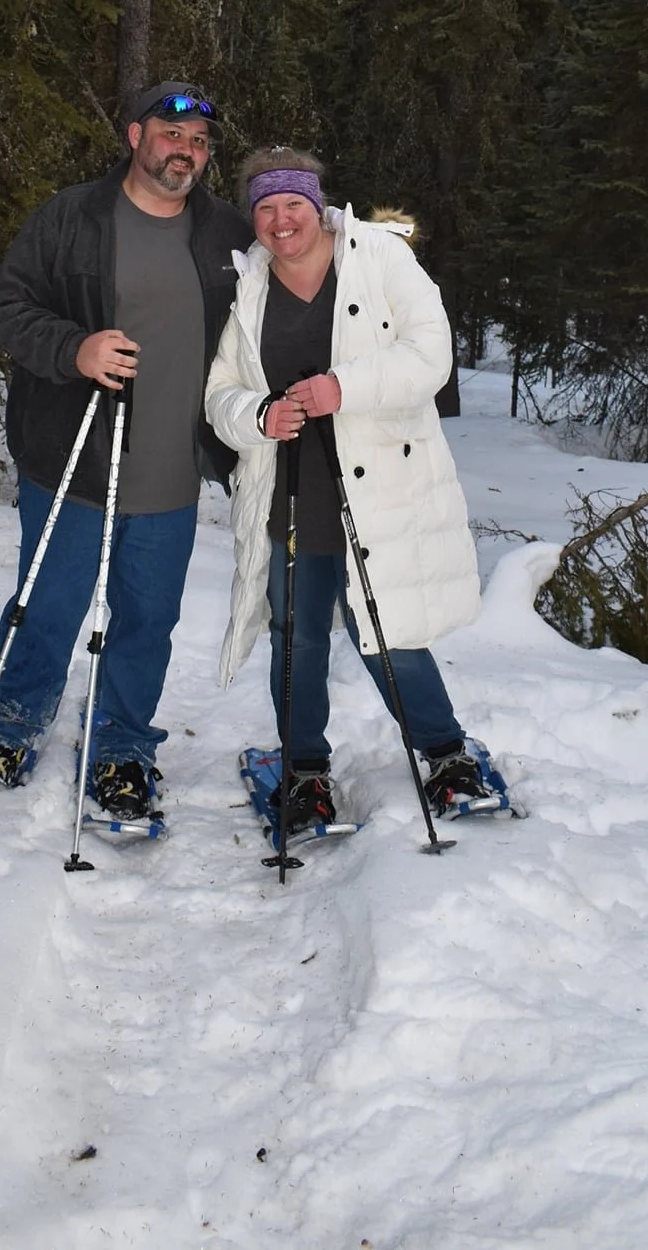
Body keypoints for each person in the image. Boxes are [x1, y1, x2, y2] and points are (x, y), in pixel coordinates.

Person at [0, 82, 253, 814]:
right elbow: (7, 305)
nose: (184, 151)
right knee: (47, 605)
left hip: (172, 468)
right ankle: (9, 727)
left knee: (147, 618)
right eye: (170, 134)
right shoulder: (74, 217)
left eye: (198, 143)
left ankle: (121, 746)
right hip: (73, 459)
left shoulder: (226, 233)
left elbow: (289, 283)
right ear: (134, 136)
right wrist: (74, 347)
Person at [205, 147, 487, 832]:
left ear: (317, 203)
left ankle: (446, 752)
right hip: (290, 491)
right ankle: (303, 768)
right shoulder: (248, 285)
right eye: (265, 209)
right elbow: (219, 393)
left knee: (388, 633)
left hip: (382, 488)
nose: (280, 221)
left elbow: (431, 352)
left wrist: (343, 388)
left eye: (292, 205)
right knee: (295, 635)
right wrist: (259, 414)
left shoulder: (380, 258)